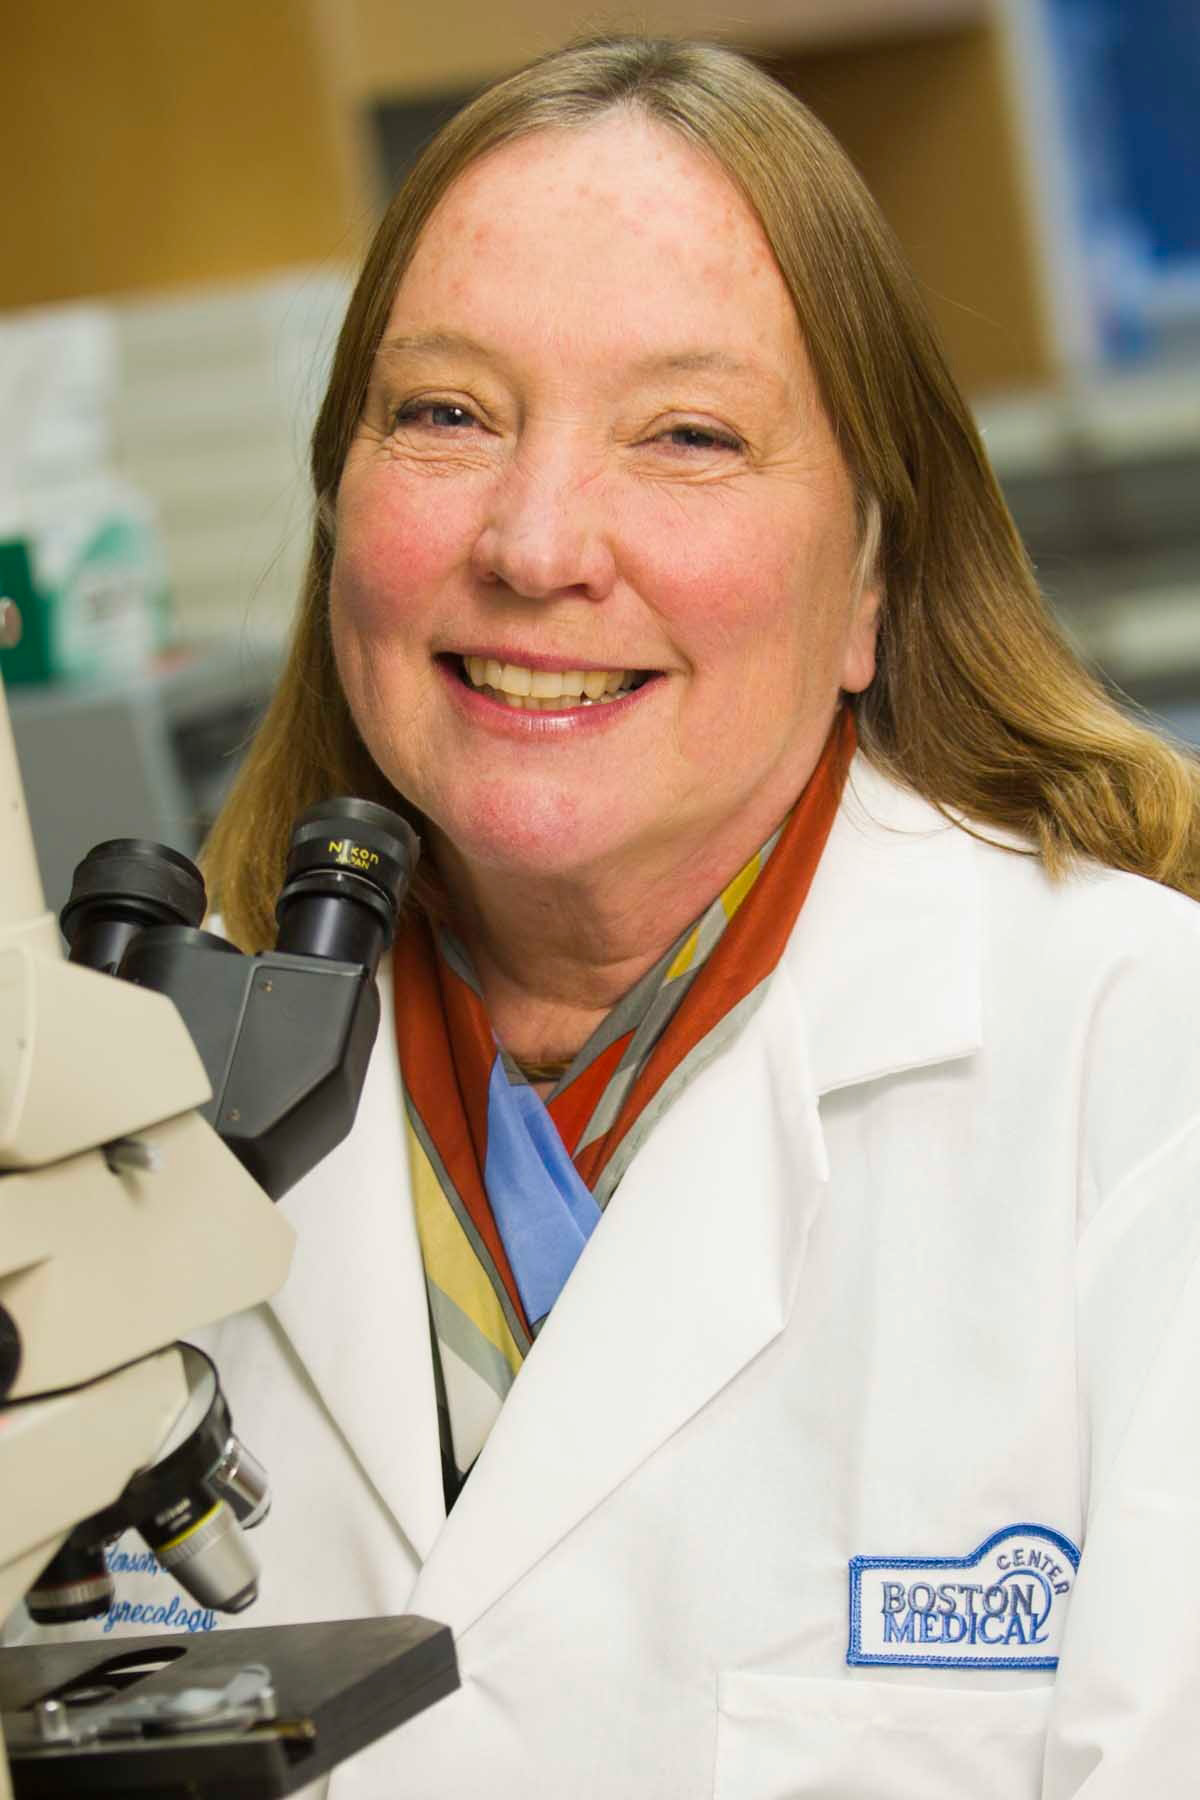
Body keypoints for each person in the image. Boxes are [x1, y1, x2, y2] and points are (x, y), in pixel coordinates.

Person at [33, 34, 1200, 1798]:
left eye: (689, 434)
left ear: (874, 581)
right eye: (445, 414)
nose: (537, 539)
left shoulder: (1140, 1074)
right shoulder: (102, 1107)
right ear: (339, 505)